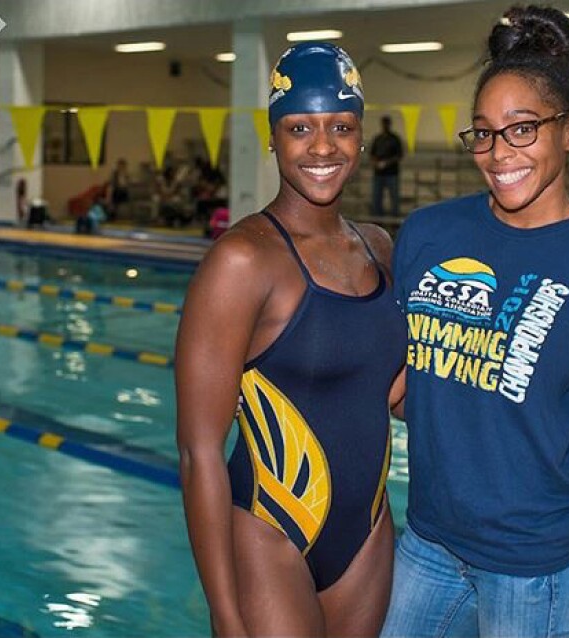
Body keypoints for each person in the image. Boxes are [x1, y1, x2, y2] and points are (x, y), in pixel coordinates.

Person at [381, 6, 569, 638]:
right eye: (483, 133)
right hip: (428, 541)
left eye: (521, 130)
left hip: (534, 570)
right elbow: (405, 386)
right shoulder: (429, 234)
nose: (498, 153)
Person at [176, 42, 406, 637]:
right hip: (268, 532)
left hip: (368, 534)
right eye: (300, 127)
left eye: (341, 127)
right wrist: (225, 615)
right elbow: (199, 450)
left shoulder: (381, 248)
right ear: (274, 136)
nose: (323, 146)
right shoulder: (242, 261)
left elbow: (395, 393)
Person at [370, 115, 403, 217]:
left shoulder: (395, 139)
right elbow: (372, 154)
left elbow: (399, 155)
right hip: (379, 173)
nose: (385, 126)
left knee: (394, 197)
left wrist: (386, 163)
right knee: (377, 197)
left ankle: (394, 218)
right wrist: (376, 163)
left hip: (391, 173)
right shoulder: (378, 139)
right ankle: (377, 218)